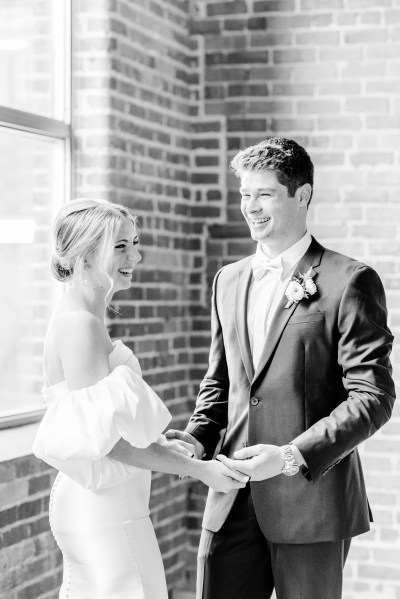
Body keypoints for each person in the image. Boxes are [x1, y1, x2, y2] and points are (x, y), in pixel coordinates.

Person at [166, 137, 395, 599]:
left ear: (303, 195)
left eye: (265, 194)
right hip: (230, 497)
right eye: (245, 195)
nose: (251, 207)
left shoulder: (349, 280)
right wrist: (196, 436)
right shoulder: (227, 281)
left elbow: (373, 398)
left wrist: (290, 457)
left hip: (311, 501)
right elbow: (223, 382)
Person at [32, 198, 247, 599]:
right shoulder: (80, 325)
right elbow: (109, 446)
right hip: (104, 508)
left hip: (112, 500)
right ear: (83, 253)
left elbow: (103, 430)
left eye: (135, 242)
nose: (137, 255)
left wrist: (158, 443)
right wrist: (198, 470)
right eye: (120, 246)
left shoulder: (87, 317)